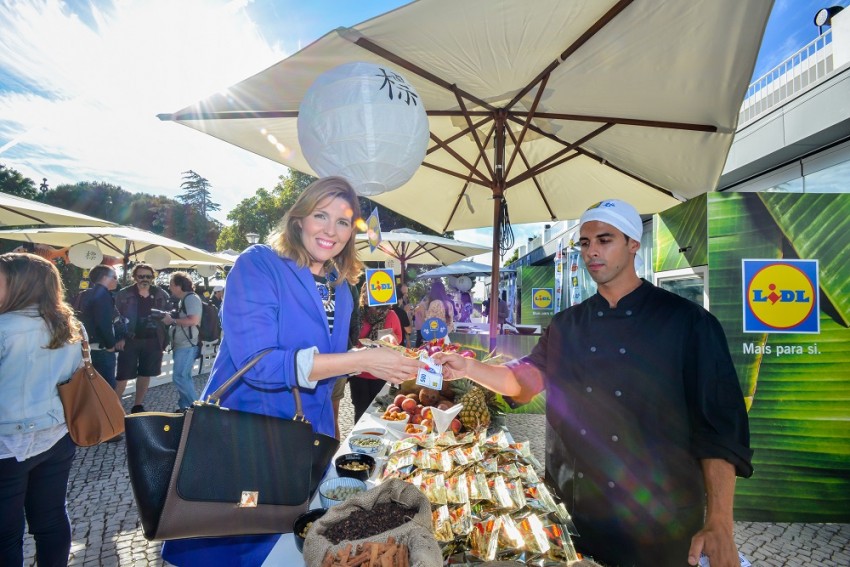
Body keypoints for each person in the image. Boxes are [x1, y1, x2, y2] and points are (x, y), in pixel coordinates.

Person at [434, 199, 753, 567]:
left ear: (633, 243)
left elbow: (719, 430)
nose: (591, 252)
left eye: (605, 240)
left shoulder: (689, 323)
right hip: (576, 517)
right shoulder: (566, 325)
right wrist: (468, 367)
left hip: (660, 523)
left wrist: (719, 523)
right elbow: (521, 382)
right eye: (585, 243)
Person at [161, 176, 422, 566]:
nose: (330, 230)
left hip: (306, 445)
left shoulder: (339, 286)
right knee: (232, 547)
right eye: (321, 215)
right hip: (245, 440)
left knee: (284, 547)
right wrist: (362, 361)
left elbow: (326, 367)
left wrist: (374, 352)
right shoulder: (259, 264)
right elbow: (261, 363)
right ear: (299, 218)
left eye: (343, 221)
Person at [0, 253, 83, 566]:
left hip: (8, 442)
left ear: (19, 284)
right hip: (57, 434)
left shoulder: (4, 327)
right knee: (51, 519)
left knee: (6, 534)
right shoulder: (70, 326)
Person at [114, 263, 171, 413]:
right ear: (134, 277)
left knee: (146, 373)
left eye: (148, 276)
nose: (145, 279)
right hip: (130, 339)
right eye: (141, 276)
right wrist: (120, 337)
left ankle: (137, 405)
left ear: (153, 277)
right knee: (123, 375)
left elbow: (170, 312)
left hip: (153, 339)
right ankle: (114, 407)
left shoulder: (160, 293)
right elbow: (116, 318)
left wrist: (168, 319)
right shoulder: (124, 294)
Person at [349, 284, 403, 422]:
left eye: (371, 292)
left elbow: (398, 338)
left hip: (381, 371)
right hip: (359, 372)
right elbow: (350, 337)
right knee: (360, 410)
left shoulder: (390, 315)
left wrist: (389, 340)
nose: (368, 296)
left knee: (380, 412)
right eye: (366, 293)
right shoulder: (357, 314)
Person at [77, 264, 123, 389]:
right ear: (105, 278)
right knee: (107, 388)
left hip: (87, 347)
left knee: (92, 387)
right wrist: (110, 345)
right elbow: (103, 323)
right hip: (101, 349)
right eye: (114, 277)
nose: (117, 280)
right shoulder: (102, 295)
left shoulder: (85, 294)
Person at [162, 272, 201, 411]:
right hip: (184, 344)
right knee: (184, 377)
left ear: (179, 286)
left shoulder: (191, 299)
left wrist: (172, 320)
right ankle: (186, 408)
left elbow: (193, 320)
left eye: (171, 284)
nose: (169, 287)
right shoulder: (185, 299)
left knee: (180, 377)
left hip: (187, 345)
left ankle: (196, 409)